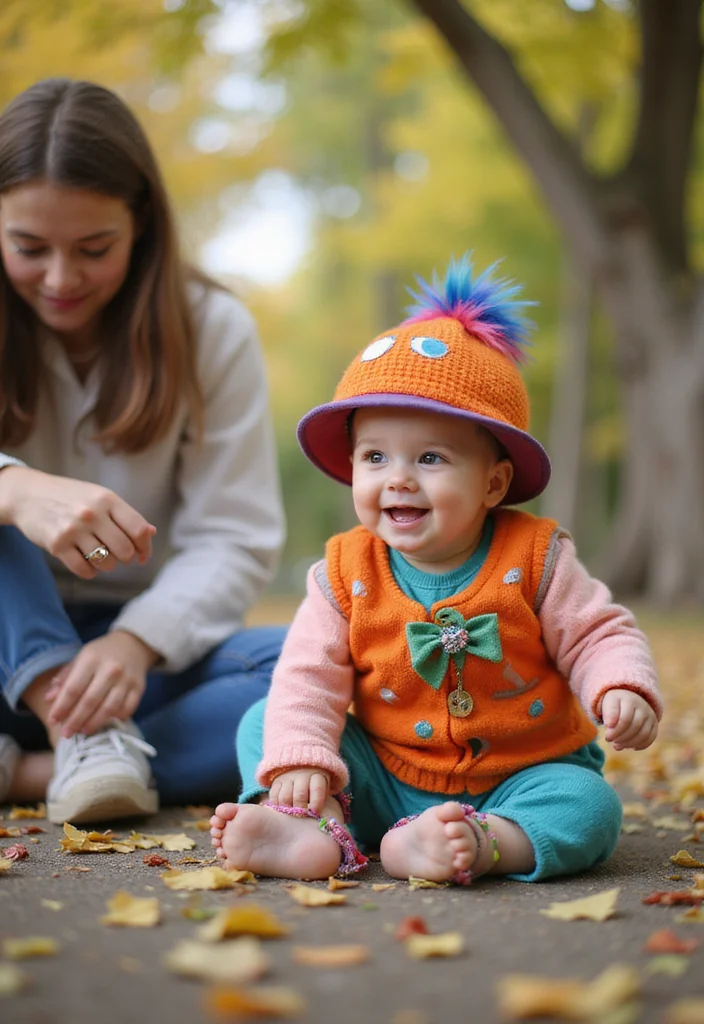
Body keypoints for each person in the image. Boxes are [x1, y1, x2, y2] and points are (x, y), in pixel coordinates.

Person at [210, 253, 662, 885]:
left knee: (589, 806)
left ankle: (485, 843)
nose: (398, 478)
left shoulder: (536, 556)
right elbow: (308, 675)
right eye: (374, 456)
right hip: (382, 776)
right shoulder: (343, 571)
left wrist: (619, 686)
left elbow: (596, 632)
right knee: (269, 723)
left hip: (519, 776)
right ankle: (307, 824)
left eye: (429, 457)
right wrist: (301, 756)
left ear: (494, 483)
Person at [0, 78, 286, 825]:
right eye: (28, 247)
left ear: (143, 229)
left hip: (136, 661)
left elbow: (233, 535)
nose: (60, 280)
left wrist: (134, 644)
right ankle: (81, 745)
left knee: (315, 676)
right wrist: (16, 490)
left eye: (94, 249)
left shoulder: (212, 330)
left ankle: (45, 764)